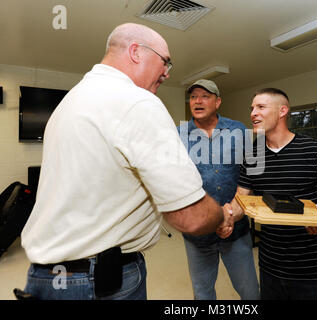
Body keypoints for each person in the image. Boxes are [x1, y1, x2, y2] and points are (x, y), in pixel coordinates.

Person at [20, 23, 224, 300]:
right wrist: (223, 215)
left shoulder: (72, 100)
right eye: (165, 62)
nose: (166, 72)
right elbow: (190, 216)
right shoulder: (138, 102)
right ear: (136, 52)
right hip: (98, 281)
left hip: (46, 277)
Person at [230, 88, 317, 300]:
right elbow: (241, 200)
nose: (253, 113)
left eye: (261, 107)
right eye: (252, 108)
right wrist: (222, 216)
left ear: (282, 111)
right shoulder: (252, 155)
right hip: (270, 266)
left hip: (313, 268)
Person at [177, 79, 260, 300]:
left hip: (236, 229)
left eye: (205, 96)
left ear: (218, 101)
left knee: (250, 292)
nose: (197, 101)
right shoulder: (178, 134)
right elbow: (175, 180)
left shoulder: (238, 130)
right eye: (193, 96)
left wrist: (230, 215)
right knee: (203, 293)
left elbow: (250, 175)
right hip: (198, 233)